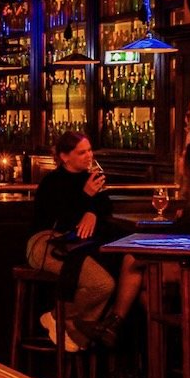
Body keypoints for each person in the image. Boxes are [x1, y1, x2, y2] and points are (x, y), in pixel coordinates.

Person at [26, 132, 142, 350]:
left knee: (114, 275)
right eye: (81, 152)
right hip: (46, 243)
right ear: (64, 156)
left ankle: (69, 326)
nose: (89, 156)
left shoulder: (91, 178)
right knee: (102, 284)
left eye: (89, 150)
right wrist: (86, 198)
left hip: (78, 244)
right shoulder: (52, 182)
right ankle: (61, 319)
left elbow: (105, 208)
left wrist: (92, 210)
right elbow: (60, 218)